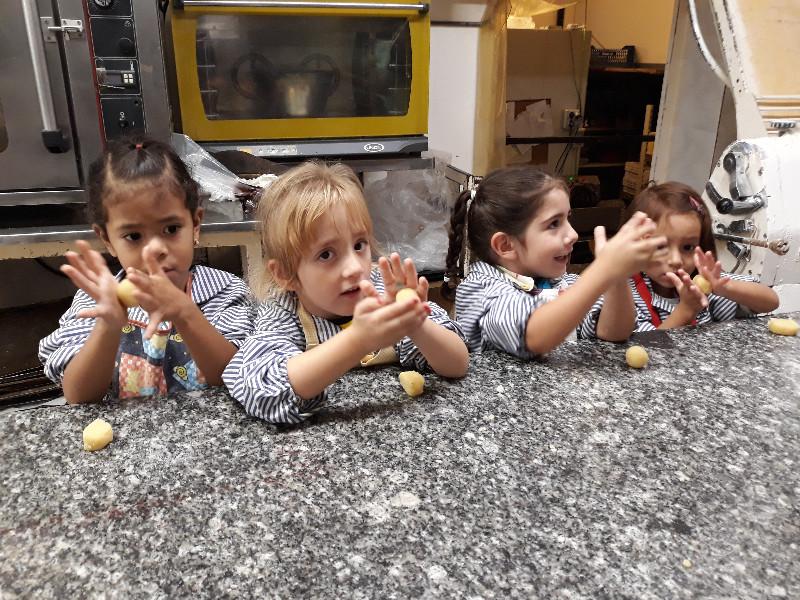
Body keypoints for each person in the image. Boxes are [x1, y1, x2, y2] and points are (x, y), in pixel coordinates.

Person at [223, 161, 469, 425]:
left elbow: (457, 364)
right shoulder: (284, 314)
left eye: (359, 245)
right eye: (326, 254)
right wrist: (358, 340)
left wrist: (417, 325)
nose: (354, 268)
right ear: (285, 274)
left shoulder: (383, 291)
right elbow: (261, 389)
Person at [39, 136, 253, 404]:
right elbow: (78, 396)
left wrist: (186, 314)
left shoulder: (223, 293)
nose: (155, 250)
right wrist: (107, 328)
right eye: (134, 236)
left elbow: (237, 379)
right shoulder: (96, 302)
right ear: (107, 240)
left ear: (195, 225)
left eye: (171, 229)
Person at [443, 166, 667, 358]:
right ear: (506, 245)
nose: (573, 235)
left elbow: (613, 332)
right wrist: (602, 271)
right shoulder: (480, 289)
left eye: (568, 218)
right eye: (553, 224)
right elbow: (533, 335)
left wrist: (617, 277)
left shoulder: (565, 283)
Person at [626, 181, 779, 330]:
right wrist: (686, 310)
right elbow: (647, 345)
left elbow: (771, 302)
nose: (675, 260)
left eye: (687, 247)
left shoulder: (701, 283)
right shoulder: (627, 296)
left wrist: (725, 287)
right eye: (660, 246)